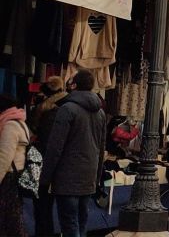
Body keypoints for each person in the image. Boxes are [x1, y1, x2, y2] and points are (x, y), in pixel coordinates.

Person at [40, 69, 107, 237]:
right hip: (88, 177)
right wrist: (97, 178)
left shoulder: (67, 109)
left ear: (74, 85)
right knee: (81, 223)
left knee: (70, 225)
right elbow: (101, 148)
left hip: (67, 178)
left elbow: (55, 148)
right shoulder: (100, 113)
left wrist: (45, 179)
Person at [31, 76, 66, 237]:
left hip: (45, 165)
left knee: (43, 207)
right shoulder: (67, 107)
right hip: (62, 166)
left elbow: (45, 142)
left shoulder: (47, 111)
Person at [0, 95, 29, 237]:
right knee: (12, 214)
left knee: (9, 216)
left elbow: (4, 156)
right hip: (14, 174)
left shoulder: (10, 125)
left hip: (8, 175)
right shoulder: (19, 122)